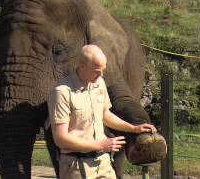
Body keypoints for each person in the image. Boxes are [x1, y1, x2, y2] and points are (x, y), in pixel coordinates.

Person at [47, 44, 156, 179]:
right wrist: (100, 145)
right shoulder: (62, 92)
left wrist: (133, 128)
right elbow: (60, 138)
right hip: (77, 166)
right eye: (96, 71)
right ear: (81, 66)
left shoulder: (99, 83)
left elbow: (105, 115)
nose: (101, 75)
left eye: (103, 70)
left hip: (103, 163)